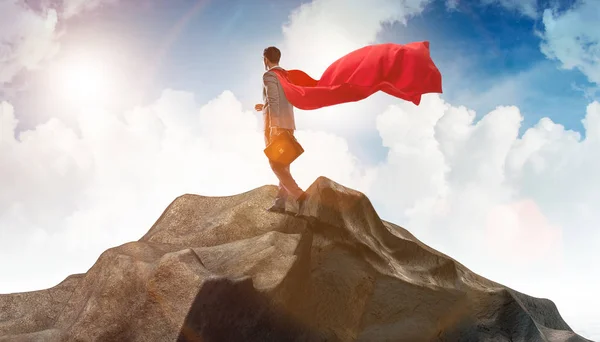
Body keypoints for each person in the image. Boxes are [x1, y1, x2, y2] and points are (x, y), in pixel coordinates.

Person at [255, 46, 308, 216]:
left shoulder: (269, 75)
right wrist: (263, 106)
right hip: (288, 124)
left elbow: (274, 99)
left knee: (275, 164)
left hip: (275, 126)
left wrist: (274, 127)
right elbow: (282, 99)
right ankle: (280, 203)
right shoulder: (286, 76)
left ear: (265, 59)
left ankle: (301, 196)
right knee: (283, 165)